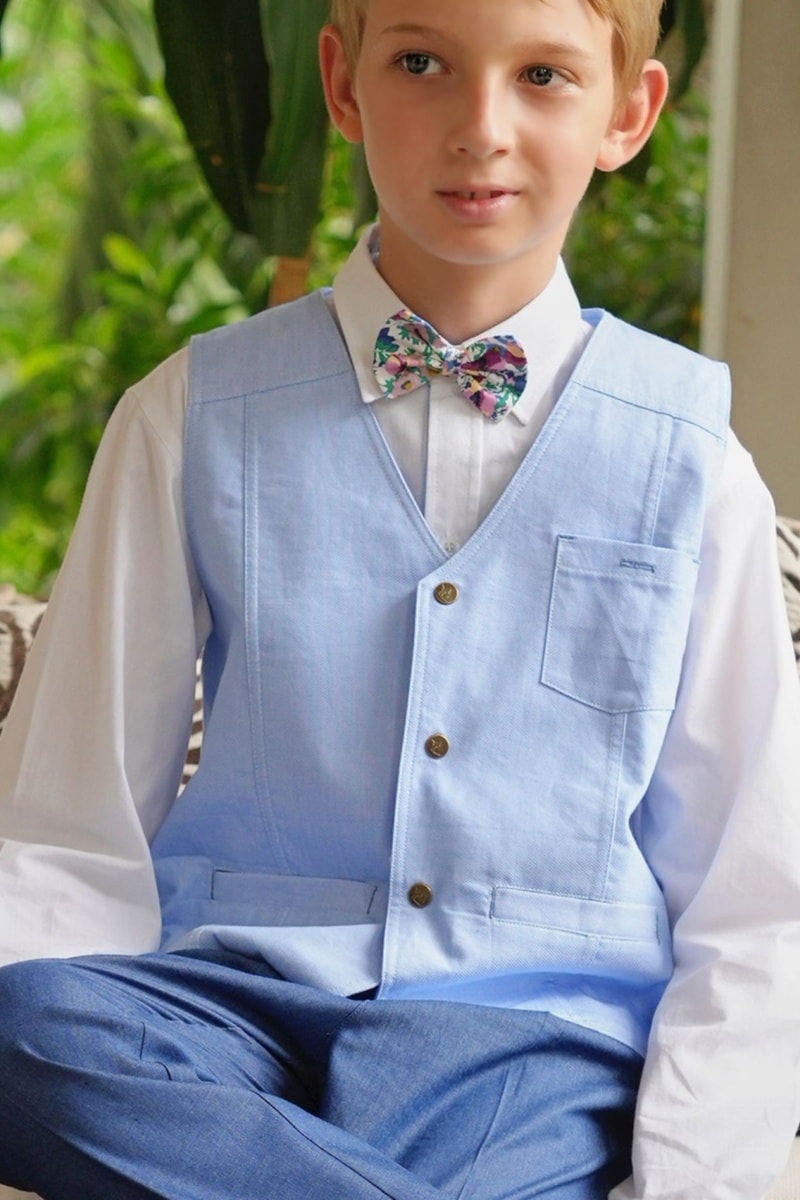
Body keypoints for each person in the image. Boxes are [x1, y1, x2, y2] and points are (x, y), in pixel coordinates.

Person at [0, 0, 798, 1196]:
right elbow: (68, 829)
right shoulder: (188, 416)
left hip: (523, 1045)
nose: (480, 127)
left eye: (542, 76)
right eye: (421, 62)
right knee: (21, 1030)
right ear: (342, 85)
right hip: (228, 1009)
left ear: (626, 116)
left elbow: (753, 899)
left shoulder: (692, 462)